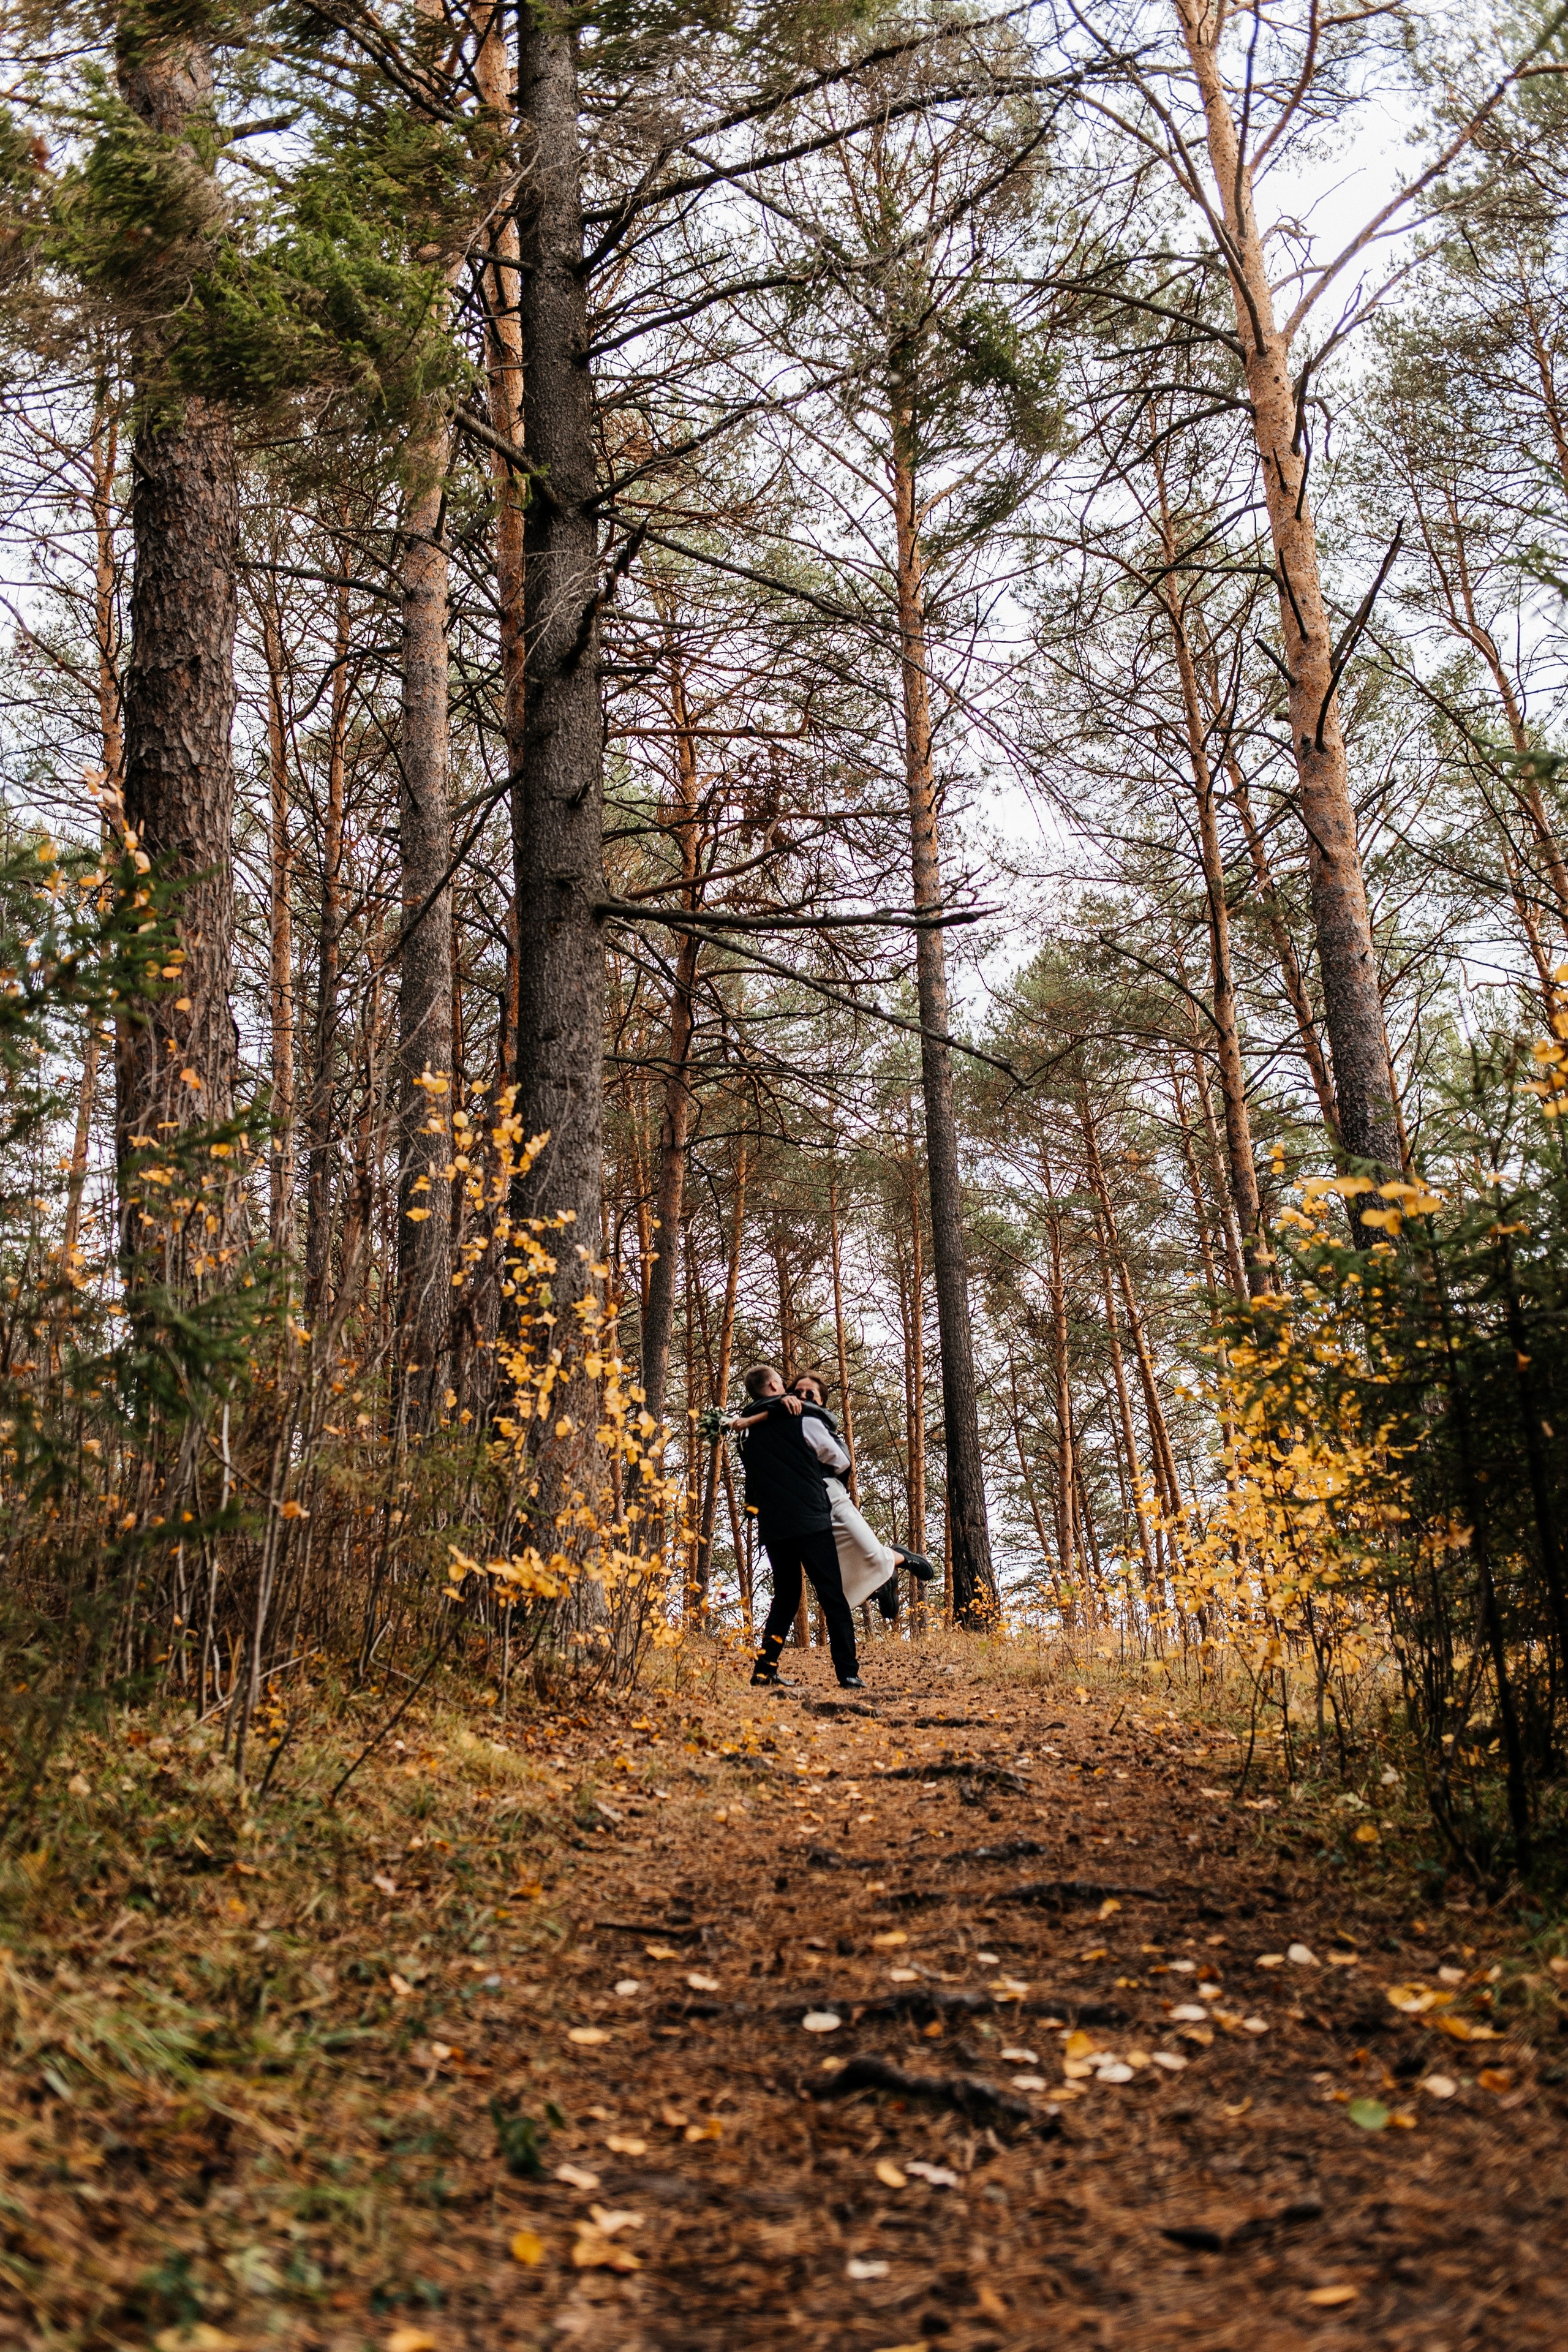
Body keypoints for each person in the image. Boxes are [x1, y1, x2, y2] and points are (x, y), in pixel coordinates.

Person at [734, 1363, 863, 1689]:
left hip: (774, 1525)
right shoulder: (802, 1417)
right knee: (833, 1596)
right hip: (810, 1518)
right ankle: (847, 1673)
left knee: (786, 1598)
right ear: (776, 1386)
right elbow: (840, 1461)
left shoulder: (744, 1433)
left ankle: (764, 1670)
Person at [783, 1371, 937, 1621]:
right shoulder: (782, 1424)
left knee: (871, 1552)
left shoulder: (819, 1424)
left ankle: (900, 1557)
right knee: (837, 1572)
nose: (802, 1397)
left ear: (821, 1401)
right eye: (797, 1393)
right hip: (805, 1509)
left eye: (810, 1394)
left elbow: (842, 1461)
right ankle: (881, 1584)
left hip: (831, 1494)